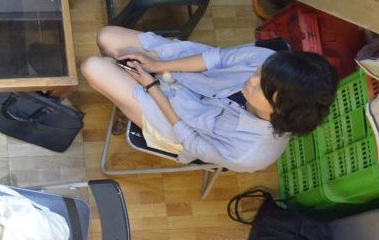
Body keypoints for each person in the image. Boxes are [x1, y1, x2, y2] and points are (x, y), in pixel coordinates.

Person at [82, 26, 338, 172]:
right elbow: (217, 58)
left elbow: (191, 140)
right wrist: (159, 65)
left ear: (279, 111)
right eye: (260, 73)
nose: (252, 79)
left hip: (178, 122)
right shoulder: (269, 64)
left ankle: (120, 90)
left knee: (93, 67)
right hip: (189, 76)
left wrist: (152, 86)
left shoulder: (248, 153)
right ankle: (120, 84)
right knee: (106, 37)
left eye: (262, 88)